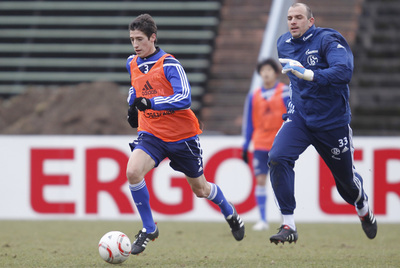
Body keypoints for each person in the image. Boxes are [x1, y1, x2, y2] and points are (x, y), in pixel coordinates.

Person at [125, 14, 245, 255]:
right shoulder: (131, 62)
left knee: (200, 190)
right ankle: (149, 228)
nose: (135, 44)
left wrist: (151, 103)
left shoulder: (170, 64)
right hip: (152, 134)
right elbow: (135, 87)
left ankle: (229, 211)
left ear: (153, 38)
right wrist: (131, 105)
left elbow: (184, 98)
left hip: (182, 137)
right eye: (132, 39)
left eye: (140, 39)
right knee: (132, 172)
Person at [268, 3, 377, 244]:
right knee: (277, 157)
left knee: (346, 185)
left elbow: (344, 71)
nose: (293, 22)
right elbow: (295, 82)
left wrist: (310, 74)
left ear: (311, 21)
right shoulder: (283, 43)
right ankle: (288, 224)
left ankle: (362, 206)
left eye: (298, 17)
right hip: (300, 118)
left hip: (332, 122)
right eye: (289, 18)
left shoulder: (328, 40)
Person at [241, 58, 289, 231]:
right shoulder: (254, 96)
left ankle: (285, 218)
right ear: (260, 73)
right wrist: (246, 145)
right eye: (263, 70)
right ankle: (262, 219)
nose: (266, 73)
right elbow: (249, 123)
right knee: (261, 180)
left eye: (269, 70)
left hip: (279, 143)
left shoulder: (285, 92)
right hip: (260, 143)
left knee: (281, 181)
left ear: (275, 73)